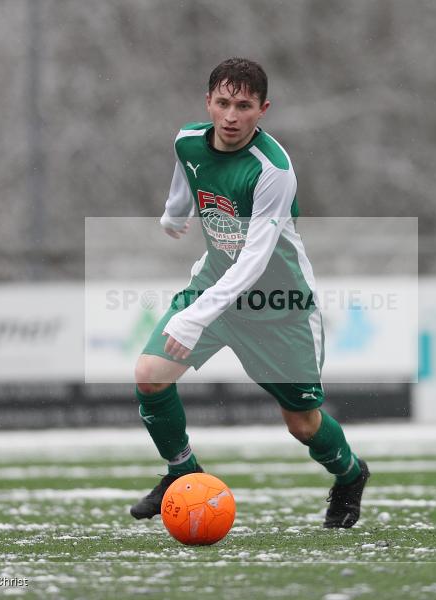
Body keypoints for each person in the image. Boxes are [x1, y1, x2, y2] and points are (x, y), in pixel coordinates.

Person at [130, 58, 369, 528]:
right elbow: (187, 174)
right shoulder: (187, 140)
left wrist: (196, 316)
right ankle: (182, 474)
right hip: (215, 284)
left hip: (278, 305)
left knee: (302, 423)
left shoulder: (273, 170)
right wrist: (174, 211)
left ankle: (349, 474)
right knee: (149, 374)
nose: (231, 116)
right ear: (208, 103)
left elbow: (255, 260)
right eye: (222, 103)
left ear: (263, 109)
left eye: (244, 105)